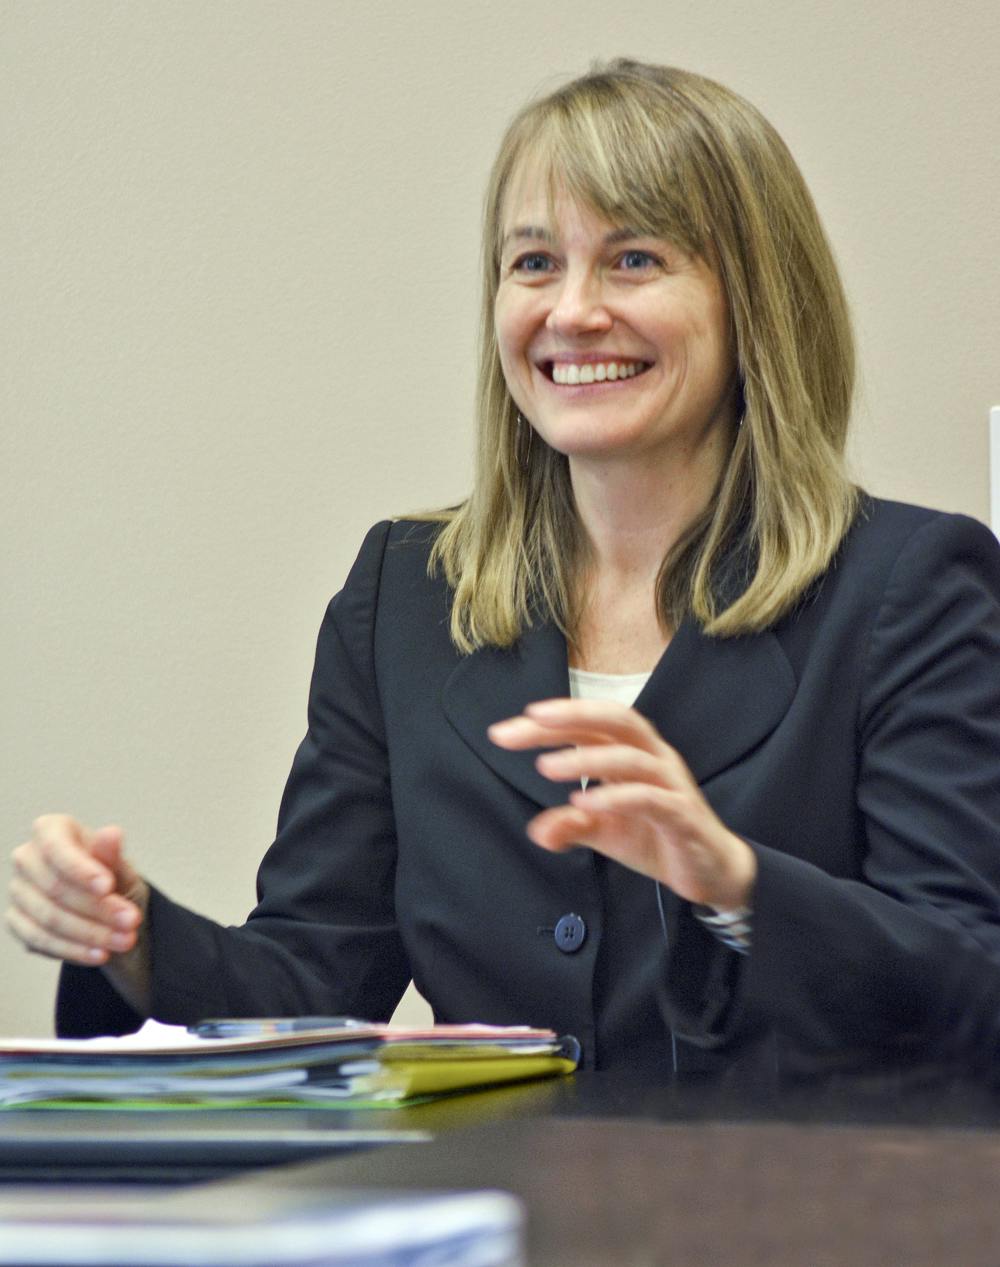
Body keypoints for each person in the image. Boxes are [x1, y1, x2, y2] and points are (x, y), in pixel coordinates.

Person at [7, 60, 1000, 1075]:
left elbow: (975, 991)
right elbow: (313, 984)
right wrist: (134, 940)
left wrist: (735, 885)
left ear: (755, 298)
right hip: (490, 1217)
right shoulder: (404, 594)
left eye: (633, 259)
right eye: (532, 263)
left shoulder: (908, 587)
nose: (570, 311)